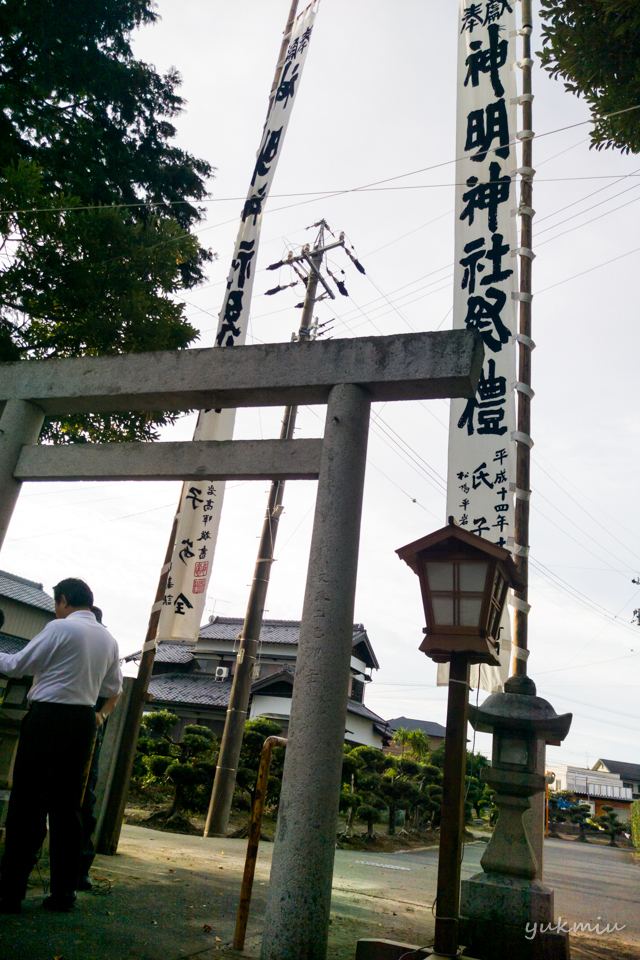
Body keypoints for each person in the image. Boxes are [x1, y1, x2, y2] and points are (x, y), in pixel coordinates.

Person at [0, 578, 122, 913]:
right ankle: (63, 893)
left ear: (63, 600)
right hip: (83, 722)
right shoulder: (108, 639)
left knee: (29, 805)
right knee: (68, 808)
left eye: (57, 604)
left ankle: (11, 892)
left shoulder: (60, 628)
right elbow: (114, 687)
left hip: (48, 718)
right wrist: (99, 716)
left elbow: (17, 665)